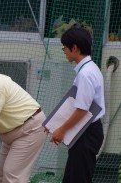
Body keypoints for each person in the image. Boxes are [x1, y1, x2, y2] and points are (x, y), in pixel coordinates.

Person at [49, 27, 105, 183]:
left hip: (86, 133)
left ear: (74, 48)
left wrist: (61, 129)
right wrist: (56, 125)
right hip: (86, 131)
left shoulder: (85, 74)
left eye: (65, 47)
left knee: (78, 178)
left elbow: (82, 109)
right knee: (73, 177)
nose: (64, 51)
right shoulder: (91, 68)